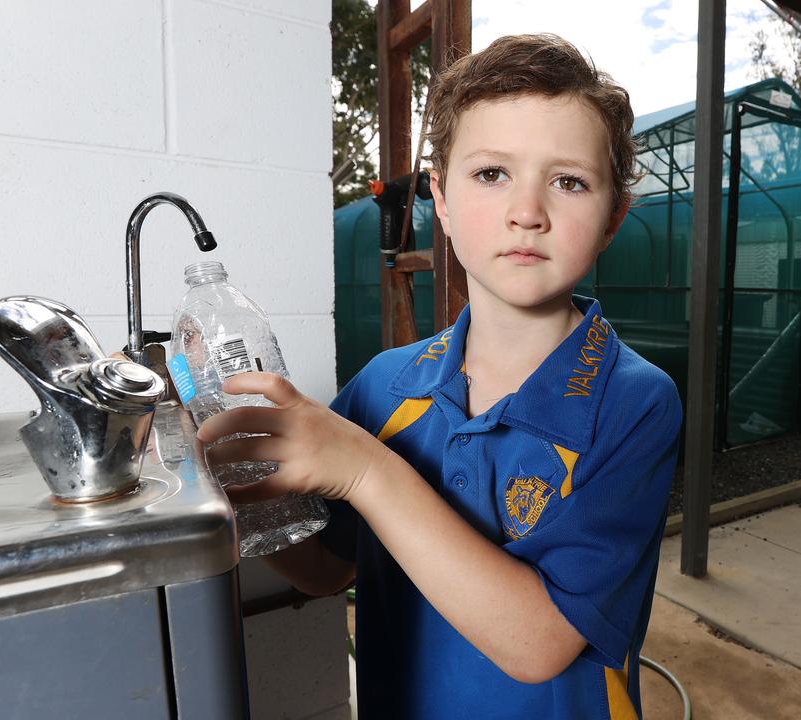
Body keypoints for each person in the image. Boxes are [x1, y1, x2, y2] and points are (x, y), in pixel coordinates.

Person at [197, 33, 682, 719]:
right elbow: (324, 566)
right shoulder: (384, 386)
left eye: (568, 181)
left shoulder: (635, 402)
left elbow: (538, 645)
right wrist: (226, 480)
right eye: (492, 174)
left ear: (611, 220)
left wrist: (364, 470)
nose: (527, 211)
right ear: (442, 201)